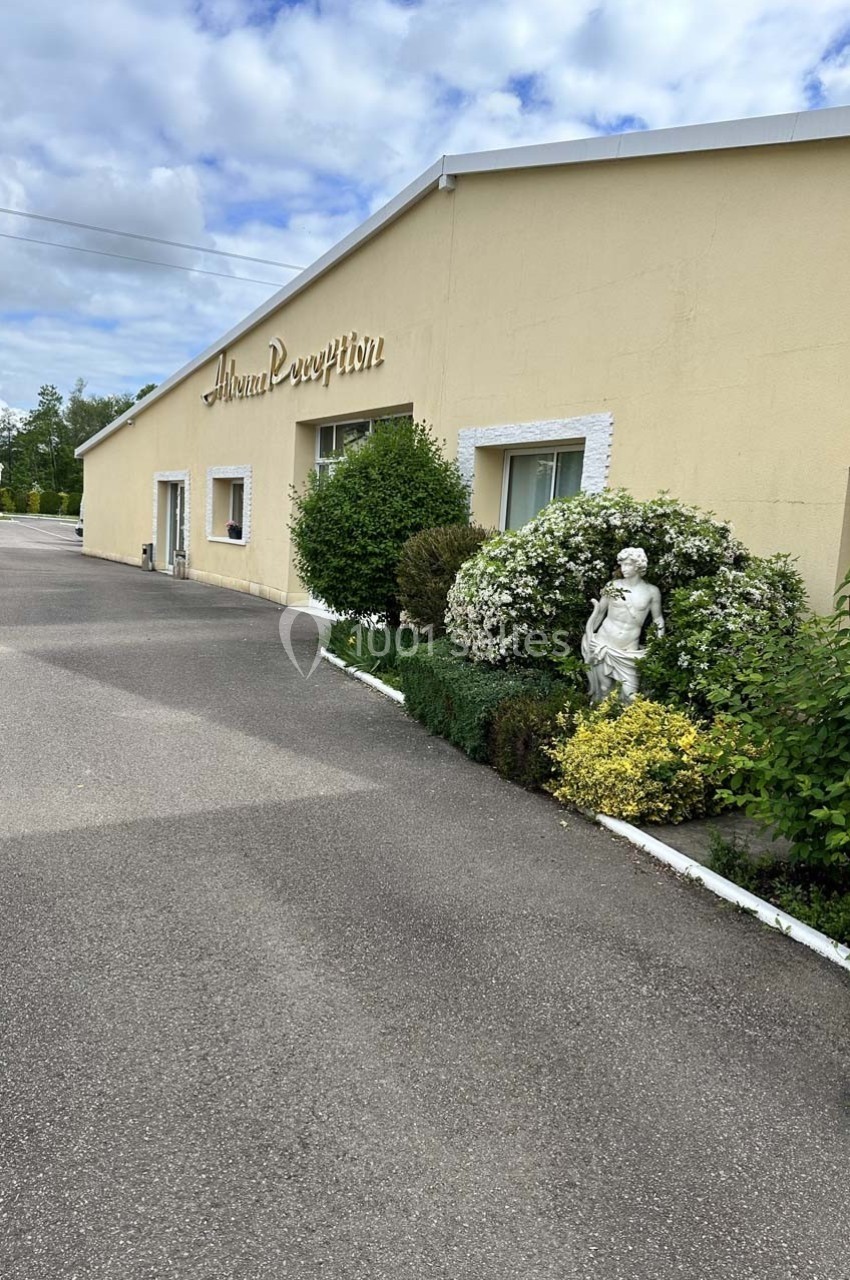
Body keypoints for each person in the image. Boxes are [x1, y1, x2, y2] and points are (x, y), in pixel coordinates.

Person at [581, 547, 664, 703]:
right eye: (622, 565)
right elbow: (599, 613)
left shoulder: (651, 592)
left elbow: (658, 619)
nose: (624, 568)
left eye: (628, 565)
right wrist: (589, 635)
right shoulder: (613, 586)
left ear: (638, 566)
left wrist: (658, 643)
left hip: (628, 650)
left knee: (630, 696)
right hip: (604, 644)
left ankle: (626, 726)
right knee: (605, 691)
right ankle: (600, 724)